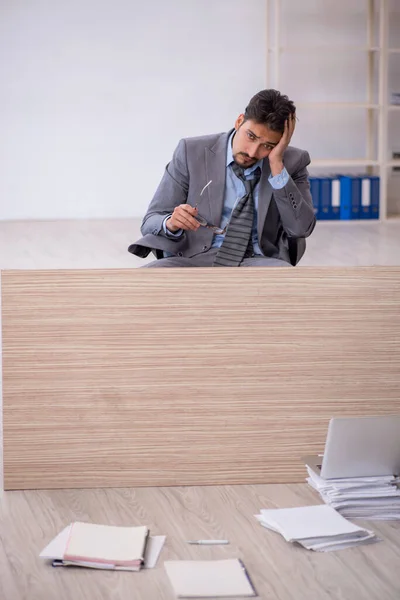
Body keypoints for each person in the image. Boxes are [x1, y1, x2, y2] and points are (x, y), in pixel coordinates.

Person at [128, 89, 316, 268]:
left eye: (267, 145)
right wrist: (171, 222)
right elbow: (150, 221)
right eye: (250, 136)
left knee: (289, 286)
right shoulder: (191, 151)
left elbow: (300, 229)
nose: (252, 152)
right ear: (239, 121)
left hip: (259, 261)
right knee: (138, 285)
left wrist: (276, 164)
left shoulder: (292, 162)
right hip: (193, 260)